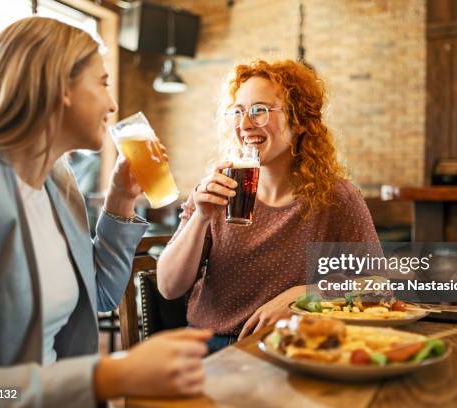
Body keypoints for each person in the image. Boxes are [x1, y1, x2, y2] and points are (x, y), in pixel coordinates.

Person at [0, 17, 211, 407]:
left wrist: (121, 199)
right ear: (61, 88)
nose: (113, 103)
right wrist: (110, 374)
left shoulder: (57, 178)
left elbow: (101, 294)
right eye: (103, 82)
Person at [157, 59, 379, 353]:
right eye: (238, 112)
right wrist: (200, 218)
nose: (245, 124)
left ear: (299, 120)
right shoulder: (217, 188)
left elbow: (376, 285)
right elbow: (169, 287)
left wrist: (304, 296)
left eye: (259, 110)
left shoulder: (336, 197)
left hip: (292, 346)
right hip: (209, 346)